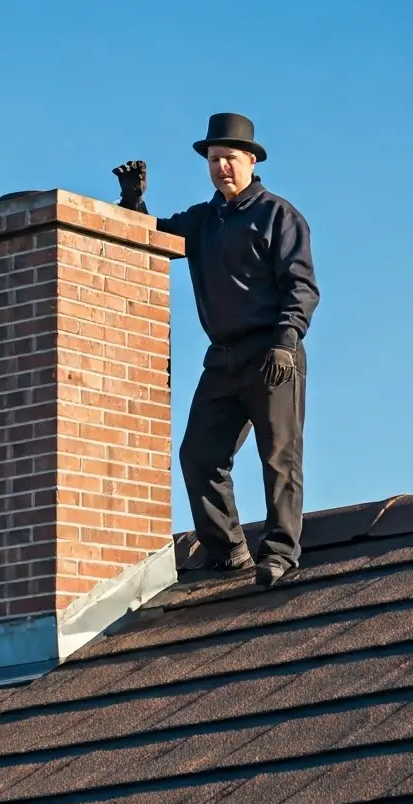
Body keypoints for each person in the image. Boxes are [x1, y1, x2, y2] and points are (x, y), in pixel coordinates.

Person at [112, 113, 320, 587]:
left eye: (229, 158)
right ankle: (227, 551)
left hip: (273, 352)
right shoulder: (203, 220)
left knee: (279, 456)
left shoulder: (277, 215)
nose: (221, 167)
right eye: (213, 159)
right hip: (222, 357)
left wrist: (288, 340)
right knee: (199, 456)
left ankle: (281, 554)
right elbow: (151, 239)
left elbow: (301, 286)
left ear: (251, 159)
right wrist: (132, 202)